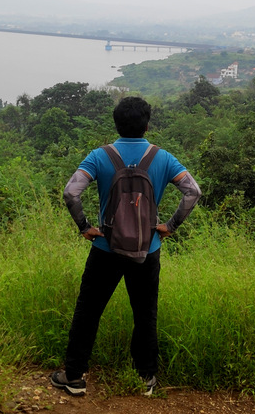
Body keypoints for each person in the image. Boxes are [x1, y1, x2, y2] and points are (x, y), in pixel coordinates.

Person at [50, 96, 201, 397]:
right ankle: (146, 378)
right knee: (145, 314)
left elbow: (71, 192)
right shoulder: (163, 158)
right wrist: (170, 226)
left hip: (106, 248)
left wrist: (84, 227)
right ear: (147, 125)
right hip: (148, 249)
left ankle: (74, 376)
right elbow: (193, 191)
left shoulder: (99, 156)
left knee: (88, 311)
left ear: (116, 124)